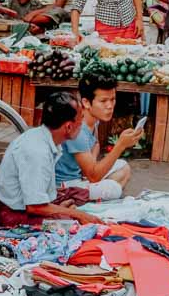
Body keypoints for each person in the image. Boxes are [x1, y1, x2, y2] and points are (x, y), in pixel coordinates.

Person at [0, 91, 104, 227]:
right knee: (72, 225)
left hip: (30, 202)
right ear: (68, 127)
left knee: (78, 196)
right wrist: (78, 215)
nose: (82, 125)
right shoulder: (37, 151)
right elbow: (35, 207)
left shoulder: (44, 138)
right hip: (14, 213)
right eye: (80, 121)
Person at [55, 73, 143, 201]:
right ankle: (83, 203)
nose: (110, 106)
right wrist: (120, 145)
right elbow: (94, 177)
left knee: (123, 168)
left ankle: (90, 198)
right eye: (103, 101)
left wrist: (89, 166)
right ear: (86, 102)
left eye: (112, 99)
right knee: (114, 188)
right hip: (65, 186)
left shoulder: (93, 119)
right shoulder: (77, 129)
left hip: (81, 177)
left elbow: (96, 144)